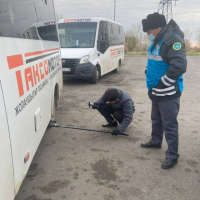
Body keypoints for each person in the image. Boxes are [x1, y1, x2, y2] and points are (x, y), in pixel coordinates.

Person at [141, 12, 187, 169]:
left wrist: (162, 84)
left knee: (170, 125)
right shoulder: (158, 41)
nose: (148, 35)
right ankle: (155, 141)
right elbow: (155, 59)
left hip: (167, 93)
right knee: (156, 119)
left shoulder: (172, 40)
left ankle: (173, 155)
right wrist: (149, 71)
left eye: (148, 32)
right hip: (156, 92)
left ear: (157, 28)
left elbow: (179, 66)